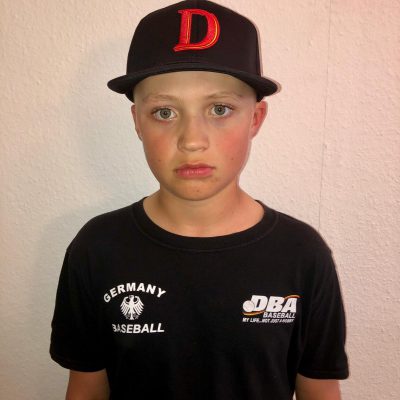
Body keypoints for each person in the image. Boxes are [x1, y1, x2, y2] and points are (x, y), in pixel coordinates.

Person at [50, 1, 349, 399]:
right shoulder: (97, 248)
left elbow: (320, 389)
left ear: (255, 118)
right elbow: (86, 388)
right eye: (164, 112)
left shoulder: (302, 255)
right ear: (137, 122)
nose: (192, 140)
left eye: (220, 109)